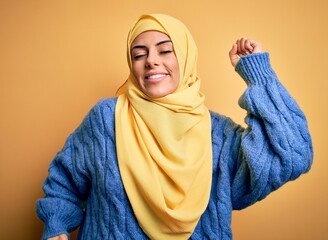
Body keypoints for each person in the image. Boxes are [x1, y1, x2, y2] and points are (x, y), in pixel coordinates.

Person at [36, 13, 313, 240]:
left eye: (166, 50)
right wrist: (56, 224)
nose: (151, 61)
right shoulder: (106, 119)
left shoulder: (219, 135)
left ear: (185, 57)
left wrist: (258, 73)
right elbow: (64, 182)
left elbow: (293, 155)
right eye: (138, 54)